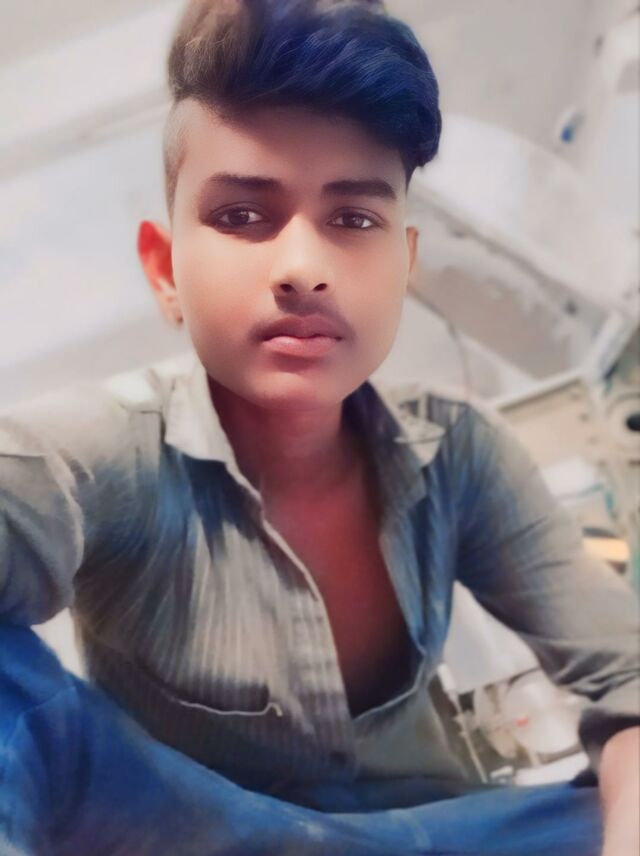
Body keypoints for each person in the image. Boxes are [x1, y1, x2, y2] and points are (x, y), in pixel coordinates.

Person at [1, 1, 638, 854]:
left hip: (441, 836)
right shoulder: (108, 452)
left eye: (354, 220)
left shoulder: (458, 453)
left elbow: (629, 677)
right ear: (165, 271)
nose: (303, 269)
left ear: (404, 264)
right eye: (242, 216)